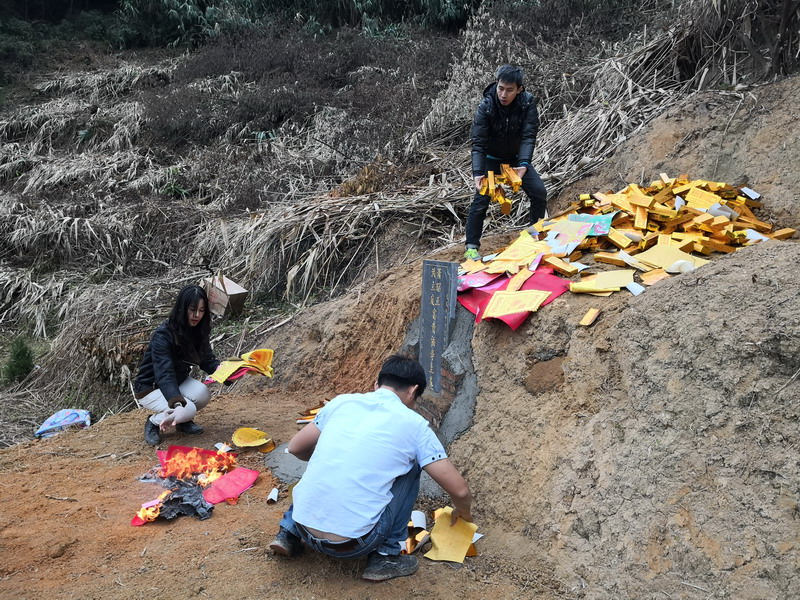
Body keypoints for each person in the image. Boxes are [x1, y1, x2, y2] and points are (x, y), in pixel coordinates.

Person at [269, 355, 473, 582]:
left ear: (377, 384)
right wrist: (463, 512)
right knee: (414, 465)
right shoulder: (415, 425)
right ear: (413, 391)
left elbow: (296, 448)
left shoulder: (341, 403)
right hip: (354, 545)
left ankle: (287, 533)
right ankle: (386, 556)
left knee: (331, 459)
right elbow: (460, 491)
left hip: (303, 526)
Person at [465, 64, 548, 260]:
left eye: (509, 90)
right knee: (481, 198)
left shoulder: (527, 104)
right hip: (491, 159)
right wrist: (478, 172)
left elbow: (529, 136)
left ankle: (535, 234)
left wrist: (524, 163)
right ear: (496, 84)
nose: (503, 94)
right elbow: (478, 144)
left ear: (519, 89)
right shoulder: (486, 106)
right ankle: (471, 246)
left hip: (516, 160)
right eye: (500, 88)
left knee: (539, 192)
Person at [133, 285, 220, 446]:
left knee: (203, 394)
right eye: (192, 309)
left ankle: (182, 422)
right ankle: (153, 422)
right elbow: (164, 374)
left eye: (201, 310)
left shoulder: (199, 330)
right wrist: (178, 404)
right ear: (182, 307)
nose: (197, 315)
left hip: (178, 381)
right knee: (188, 408)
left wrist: (231, 372)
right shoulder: (163, 334)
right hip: (150, 387)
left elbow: (207, 360)